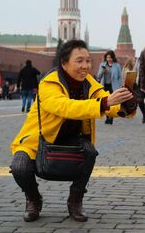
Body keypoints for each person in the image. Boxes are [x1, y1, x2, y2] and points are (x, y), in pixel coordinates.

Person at [10, 40, 135, 222]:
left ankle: (75, 199)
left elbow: (107, 103)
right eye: (79, 61)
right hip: (40, 140)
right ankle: (33, 198)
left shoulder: (90, 83)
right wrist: (106, 102)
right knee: (19, 166)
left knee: (90, 152)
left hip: (74, 139)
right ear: (64, 63)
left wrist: (127, 104)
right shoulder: (49, 83)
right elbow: (64, 107)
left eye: (88, 61)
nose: (85, 66)